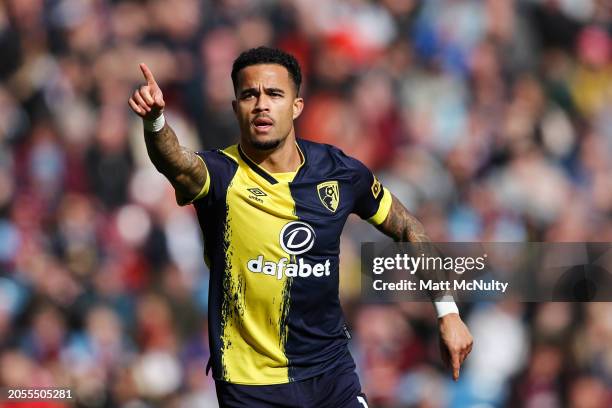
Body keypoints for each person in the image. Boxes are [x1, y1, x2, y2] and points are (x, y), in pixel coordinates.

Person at [128, 46, 473, 408]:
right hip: (251, 386)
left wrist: (447, 313)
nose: (261, 104)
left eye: (274, 94)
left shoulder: (338, 172)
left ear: (296, 106)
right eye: (249, 95)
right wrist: (155, 122)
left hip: (331, 374)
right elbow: (175, 162)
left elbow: (406, 227)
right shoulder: (219, 175)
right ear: (236, 109)